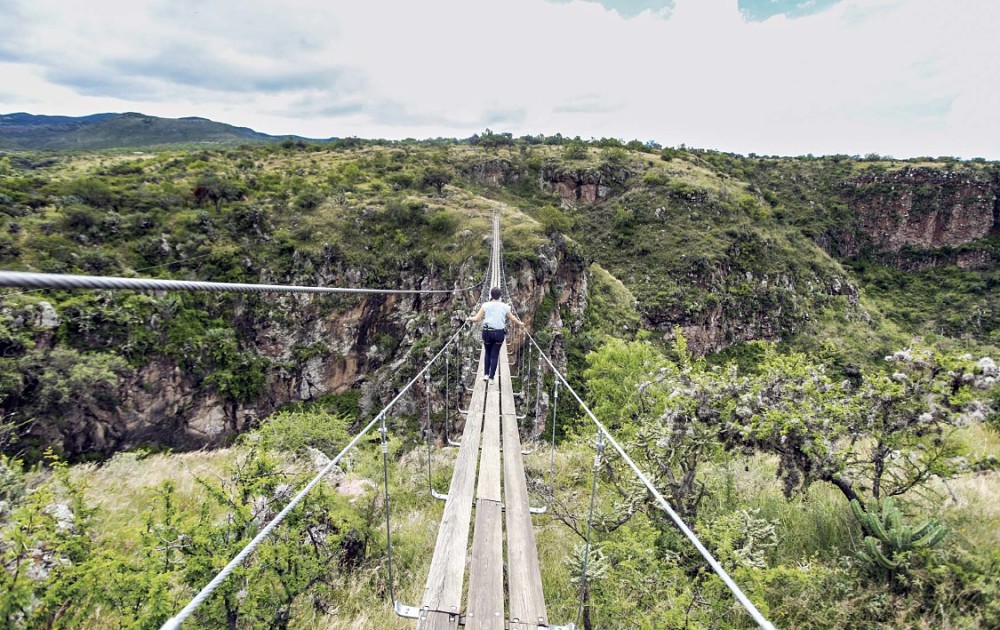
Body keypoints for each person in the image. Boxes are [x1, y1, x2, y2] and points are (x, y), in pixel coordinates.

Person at [466, 287, 524, 381]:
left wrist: (469, 318)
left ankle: (485, 374)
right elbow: (513, 318)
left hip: (487, 332)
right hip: (499, 333)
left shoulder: (485, 305)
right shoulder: (505, 306)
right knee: (495, 354)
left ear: (491, 295)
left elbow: (476, 319)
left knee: (487, 353)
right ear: (500, 296)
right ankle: (491, 377)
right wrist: (520, 323)